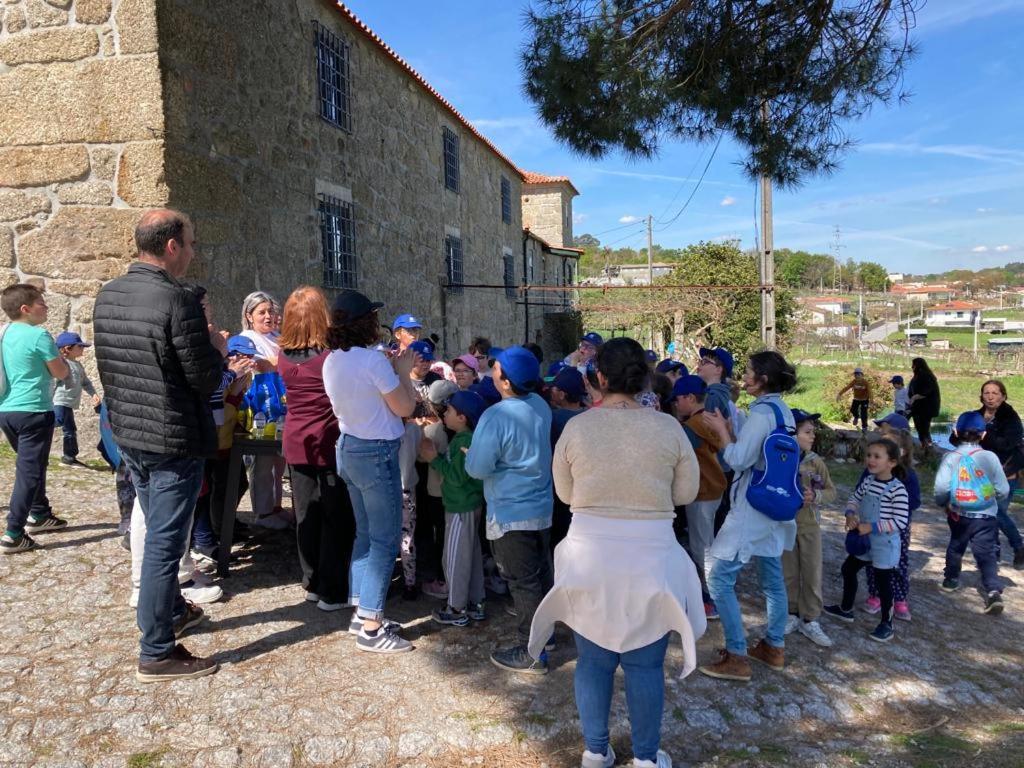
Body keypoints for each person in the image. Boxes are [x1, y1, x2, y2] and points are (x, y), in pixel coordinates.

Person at [531, 337, 704, 768]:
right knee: (645, 665)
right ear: (644, 379)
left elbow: (565, 493)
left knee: (594, 659)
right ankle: (646, 758)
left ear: (599, 378)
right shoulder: (667, 427)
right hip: (650, 552)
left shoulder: (577, 427)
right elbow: (686, 492)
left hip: (591, 550)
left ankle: (595, 750)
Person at [94, 209, 225, 682]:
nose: (193, 252)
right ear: (171, 246)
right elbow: (203, 377)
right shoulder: (179, 300)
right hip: (172, 438)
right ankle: (156, 651)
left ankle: (170, 609)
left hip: (130, 432)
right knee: (165, 545)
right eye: (190, 243)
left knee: (158, 530)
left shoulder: (108, 295)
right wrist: (216, 348)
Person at [323, 289, 419, 653]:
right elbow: (404, 407)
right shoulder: (374, 362)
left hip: (349, 448)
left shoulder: (333, 360)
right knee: (384, 538)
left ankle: (361, 611)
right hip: (377, 452)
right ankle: (372, 627)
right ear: (366, 323)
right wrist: (404, 374)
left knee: (365, 534)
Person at [697, 351, 798, 682]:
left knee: (719, 577)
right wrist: (732, 430)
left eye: (750, 372)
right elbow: (761, 454)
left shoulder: (761, 414)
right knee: (772, 577)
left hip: (752, 505)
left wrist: (722, 433)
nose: (744, 377)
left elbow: (739, 459)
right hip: (776, 505)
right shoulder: (783, 411)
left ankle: (737, 654)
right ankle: (775, 646)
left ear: (763, 379)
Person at [465, 346, 554, 674]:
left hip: (511, 513)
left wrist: (469, 453)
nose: (491, 370)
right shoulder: (539, 405)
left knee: (522, 582)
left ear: (505, 382)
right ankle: (546, 635)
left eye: (495, 367)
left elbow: (477, 468)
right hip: (541, 506)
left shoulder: (496, 416)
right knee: (540, 574)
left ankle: (532, 652)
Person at [278, 287, 355, 612]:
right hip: (327, 441)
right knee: (335, 518)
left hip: (296, 441)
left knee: (306, 515)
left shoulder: (283, 355)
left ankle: (310, 581)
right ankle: (332, 591)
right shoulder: (328, 358)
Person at [0, 284, 71, 553]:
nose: (47, 307)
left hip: (6, 410)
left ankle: (40, 514)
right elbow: (61, 373)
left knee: (34, 464)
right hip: (34, 411)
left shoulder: (3, 333)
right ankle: (13, 532)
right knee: (28, 472)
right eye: (42, 303)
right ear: (25, 309)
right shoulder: (39, 336)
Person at [823, 438, 909, 643]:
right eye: (869, 455)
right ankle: (846, 609)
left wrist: (872, 526)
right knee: (848, 569)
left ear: (892, 463)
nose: (870, 460)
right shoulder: (868, 481)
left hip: (884, 545)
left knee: (883, 583)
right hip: (865, 541)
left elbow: (900, 521)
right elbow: (854, 498)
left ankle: (887, 624)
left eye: (877, 456)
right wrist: (850, 514)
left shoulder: (898, 490)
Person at [420, 390, 487, 626]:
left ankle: (456, 608)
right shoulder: (468, 439)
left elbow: (457, 476)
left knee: (455, 557)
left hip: (460, 507)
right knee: (472, 556)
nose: (444, 414)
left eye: (448, 411)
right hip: (469, 505)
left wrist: (433, 459)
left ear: (462, 417)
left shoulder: (463, 442)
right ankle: (475, 602)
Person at [934, 411, 1009, 614]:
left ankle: (950, 579)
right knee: (986, 553)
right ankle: (993, 591)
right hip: (986, 516)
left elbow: (941, 488)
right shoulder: (990, 457)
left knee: (956, 546)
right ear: (983, 435)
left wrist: (943, 503)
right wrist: (992, 500)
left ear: (956, 432)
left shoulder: (950, 457)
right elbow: (1003, 489)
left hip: (958, 514)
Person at [671, 374, 725, 619]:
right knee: (708, 543)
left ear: (690, 398)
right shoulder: (710, 418)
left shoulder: (692, 426)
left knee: (701, 548)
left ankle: (711, 599)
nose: (675, 404)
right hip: (714, 489)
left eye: (678, 399)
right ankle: (712, 593)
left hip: (701, 491)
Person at [781, 410, 836, 647]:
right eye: (807, 431)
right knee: (788, 572)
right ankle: (791, 614)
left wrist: (816, 495)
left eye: (813, 431)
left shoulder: (816, 462)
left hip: (810, 526)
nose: (813, 436)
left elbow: (832, 491)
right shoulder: (780, 458)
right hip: (785, 525)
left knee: (812, 572)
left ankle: (811, 619)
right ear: (793, 434)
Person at [240, 290, 290, 530]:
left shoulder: (276, 336)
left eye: (270, 311)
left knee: (279, 462)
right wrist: (282, 361)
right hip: (261, 406)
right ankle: (262, 511)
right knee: (262, 462)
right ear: (250, 316)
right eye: (262, 312)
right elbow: (260, 365)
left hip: (281, 405)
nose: (268, 316)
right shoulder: (248, 338)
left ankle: (276, 506)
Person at [863, 414, 920, 621]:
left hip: (897, 530)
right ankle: (875, 595)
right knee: (872, 560)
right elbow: (860, 493)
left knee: (898, 562)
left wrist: (893, 504)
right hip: (873, 527)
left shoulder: (907, 476)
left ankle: (900, 599)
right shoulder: (869, 474)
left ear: (899, 454)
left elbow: (914, 502)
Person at [975, 379, 1024, 570]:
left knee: (995, 512)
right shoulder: (976, 415)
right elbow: (959, 438)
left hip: (1006, 474)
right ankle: (993, 555)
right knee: (990, 514)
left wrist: (986, 435)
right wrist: (957, 434)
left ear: (1003, 396)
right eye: (986, 392)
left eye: (995, 393)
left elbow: (1006, 444)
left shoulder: (1010, 418)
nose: (990, 396)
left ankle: (1017, 546)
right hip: (983, 476)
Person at [51, 331, 100, 467]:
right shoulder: (61, 363)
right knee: (57, 421)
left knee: (70, 429)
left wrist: (93, 394)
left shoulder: (78, 366)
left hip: (69, 403)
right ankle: (33, 431)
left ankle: (69, 458)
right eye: (80, 346)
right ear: (67, 348)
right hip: (59, 401)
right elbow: (53, 382)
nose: (83, 349)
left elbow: (86, 383)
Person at [907, 357, 940, 449]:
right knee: (920, 428)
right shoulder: (917, 375)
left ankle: (928, 446)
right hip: (917, 407)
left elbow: (927, 391)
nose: (912, 367)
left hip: (926, 407)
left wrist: (914, 397)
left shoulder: (926, 376)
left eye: (913, 365)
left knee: (924, 428)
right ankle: (924, 445)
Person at [696, 346, 733, 419]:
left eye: (705, 362)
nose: (699, 364)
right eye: (701, 361)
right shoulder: (720, 393)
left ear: (718, 370)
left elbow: (707, 427)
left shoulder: (713, 396)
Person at [837, 367, 872, 433]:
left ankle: (864, 427)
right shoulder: (854, 381)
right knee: (852, 410)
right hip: (856, 399)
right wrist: (839, 394)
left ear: (862, 375)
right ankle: (856, 416)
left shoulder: (866, 382)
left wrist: (871, 401)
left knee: (863, 413)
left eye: (858, 375)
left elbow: (870, 392)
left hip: (864, 399)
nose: (857, 376)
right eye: (855, 375)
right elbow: (847, 387)